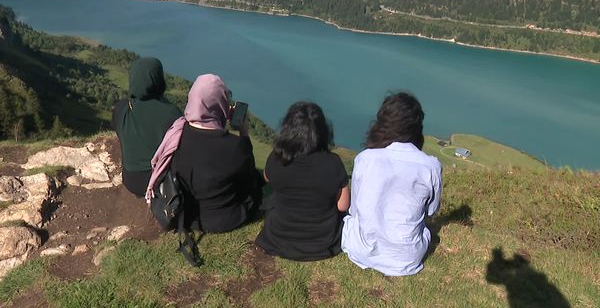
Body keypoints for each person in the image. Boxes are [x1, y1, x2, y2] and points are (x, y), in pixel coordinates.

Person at [341, 92, 442, 276]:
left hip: (362, 251)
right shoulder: (430, 166)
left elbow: (355, 210)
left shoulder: (365, 159)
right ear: (417, 126)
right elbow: (431, 211)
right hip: (408, 258)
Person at [146, 74, 262, 233]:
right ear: (222, 105)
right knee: (256, 184)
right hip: (226, 220)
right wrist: (244, 133)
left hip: (187, 215)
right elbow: (248, 177)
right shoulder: (235, 146)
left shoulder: (176, 135)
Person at [255, 102, 350, 261]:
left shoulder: (277, 158)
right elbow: (343, 205)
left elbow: (266, 177)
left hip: (279, 236)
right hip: (322, 242)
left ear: (288, 129)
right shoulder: (333, 163)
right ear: (322, 131)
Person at [112, 57, 182, 197]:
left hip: (130, 180)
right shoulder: (172, 113)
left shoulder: (121, 108)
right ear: (158, 80)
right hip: (160, 181)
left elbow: (116, 128)